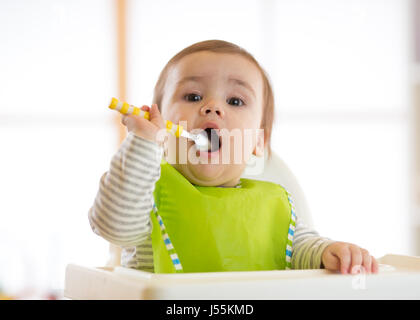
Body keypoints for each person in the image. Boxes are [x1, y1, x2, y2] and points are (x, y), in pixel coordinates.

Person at [89, 39, 378, 274]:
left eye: (235, 101)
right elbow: (113, 225)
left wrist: (331, 252)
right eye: (192, 97)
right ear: (162, 125)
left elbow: (303, 250)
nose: (212, 107)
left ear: (258, 141)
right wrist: (142, 143)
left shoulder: (274, 207)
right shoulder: (144, 194)